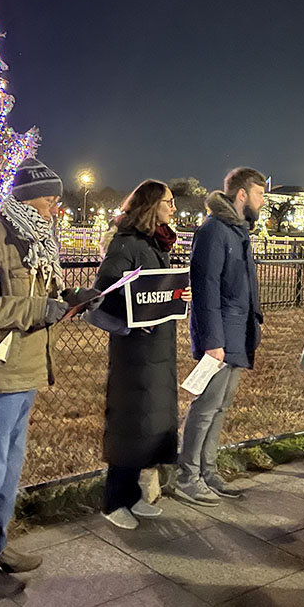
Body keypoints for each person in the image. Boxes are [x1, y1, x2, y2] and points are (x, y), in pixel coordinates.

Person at [0, 158, 73, 598]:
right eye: (49, 197)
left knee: (7, 472)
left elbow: (39, 294)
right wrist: (35, 310)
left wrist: (63, 299)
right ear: (25, 197)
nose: (55, 206)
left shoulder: (35, 238)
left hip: (24, 370)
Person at [92, 180, 190, 528]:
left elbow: (156, 290)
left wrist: (178, 295)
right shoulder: (127, 244)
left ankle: (133, 496)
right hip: (134, 354)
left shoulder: (155, 242)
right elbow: (105, 293)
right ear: (151, 205)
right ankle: (113, 501)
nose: (173, 208)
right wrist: (134, 321)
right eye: (168, 202)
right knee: (129, 426)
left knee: (149, 426)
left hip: (157, 350)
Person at [176, 168, 266, 505]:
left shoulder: (237, 231)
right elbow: (205, 287)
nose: (262, 201)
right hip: (221, 338)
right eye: (259, 194)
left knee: (221, 408)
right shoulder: (214, 231)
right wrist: (212, 341)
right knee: (206, 407)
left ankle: (208, 471)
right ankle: (189, 476)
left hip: (238, 332)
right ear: (241, 194)